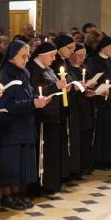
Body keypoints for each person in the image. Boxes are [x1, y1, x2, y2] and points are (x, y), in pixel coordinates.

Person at [0, 40, 49, 209]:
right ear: (12, 56)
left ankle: (16, 195)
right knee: (10, 163)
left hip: (24, 123)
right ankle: (6, 196)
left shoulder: (24, 72)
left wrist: (38, 99)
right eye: (23, 56)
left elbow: (29, 94)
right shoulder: (4, 75)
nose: (27, 59)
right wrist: (32, 104)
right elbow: (6, 105)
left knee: (20, 162)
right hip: (10, 126)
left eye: (28, 56)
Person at [27, 41, 67, 193]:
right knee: (42, 151)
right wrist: (55, 87)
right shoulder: (32, 69)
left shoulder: (48, 68)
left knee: (51, 151)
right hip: (42, 117)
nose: (54, 58)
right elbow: (34, 92)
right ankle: (39, 185)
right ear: (41, 55)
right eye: (51, 55)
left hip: (53, 115)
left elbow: (55, 86)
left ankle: (50, 183)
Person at [85, 36, 111, 168]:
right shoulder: (93, 61)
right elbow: (93, 80)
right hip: (100, 101)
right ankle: (99, 159)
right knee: (102, 131)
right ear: (103, 47)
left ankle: (108, 157)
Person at [53, 34, 83, 179]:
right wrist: (71, 86)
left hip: (68, 104)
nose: (72, 51)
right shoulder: (54, 62)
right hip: (58, 106)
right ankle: (63, 172)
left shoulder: (64, 61)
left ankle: (68, 169)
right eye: (69, 48)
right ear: (60, 47)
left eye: (73, 48)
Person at [68, 43, 96, 173]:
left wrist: (92, 90)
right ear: (72, 54)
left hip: (86, 107)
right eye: (80, 55)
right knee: (76, 138)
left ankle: (85, 164)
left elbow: (86, 88)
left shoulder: (84, 69)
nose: (83, 58)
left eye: (84, 55)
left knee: (86, 135)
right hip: (74, 108)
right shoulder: (68, 69)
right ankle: (76, 167)